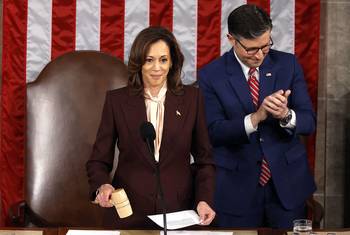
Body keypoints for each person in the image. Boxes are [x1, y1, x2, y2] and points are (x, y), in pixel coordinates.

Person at [198, 4, 316, 229]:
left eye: (265, 46)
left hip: (287, 186)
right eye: (252, 49)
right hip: (236, 189)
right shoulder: (211, 75)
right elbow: (213, 131)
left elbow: (309, 121)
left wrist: (285, 114)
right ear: (231, 39)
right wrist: (256, 117)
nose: (260, 54)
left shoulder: (288, 65)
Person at [86, 26, 216, 229]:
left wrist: (204, 199)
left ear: (172, 62)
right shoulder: (116, 101)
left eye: (163, 60)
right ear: (138, 62)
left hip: (179, 213)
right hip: (128, 214)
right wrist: (102, 186)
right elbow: (98, 161)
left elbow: (204, 160)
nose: (157, 68)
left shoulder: (192, 99)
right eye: (149, 60)